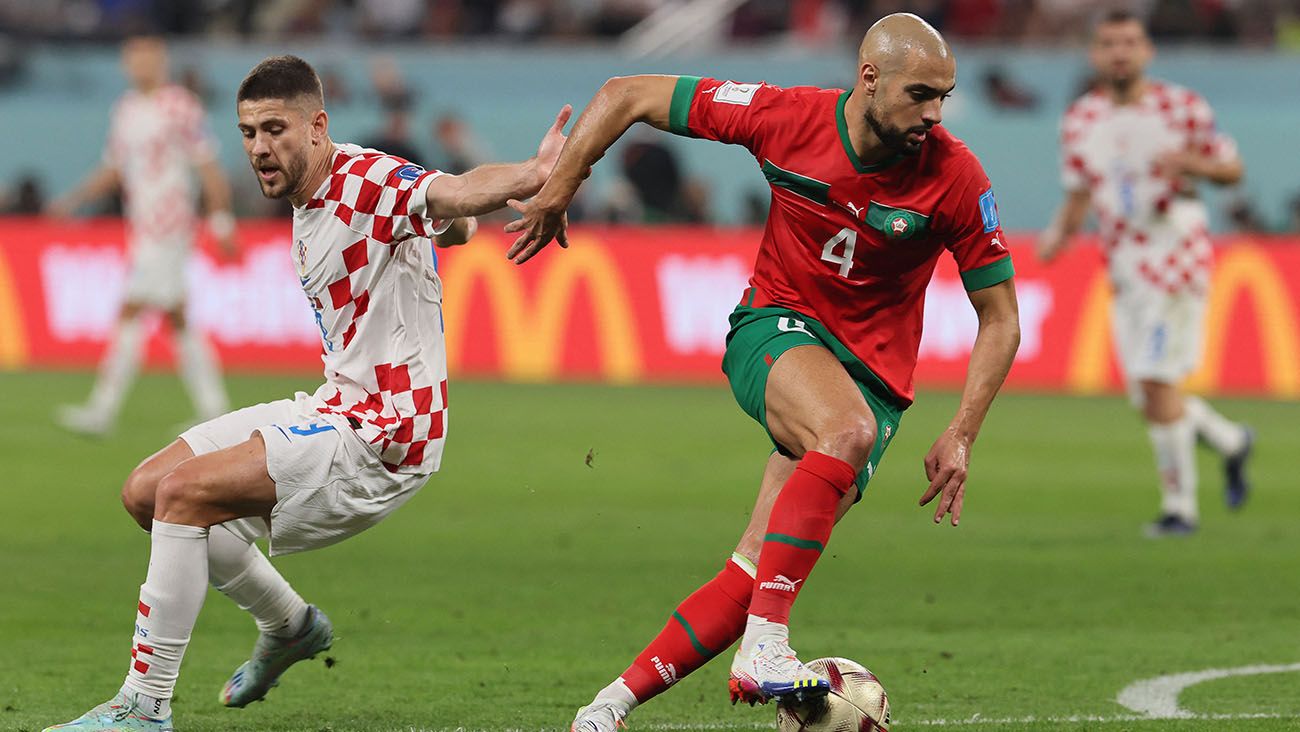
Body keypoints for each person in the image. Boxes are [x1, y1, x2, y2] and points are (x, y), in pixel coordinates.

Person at [507, 13, 1021, 731]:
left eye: (944, 96)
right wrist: (563, 185)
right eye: (920, 94)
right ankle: (767, 648)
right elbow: (627, 92)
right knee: (845, 432)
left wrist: (962, 431)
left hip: (874, 386)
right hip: (775, 332)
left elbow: (1000, 316)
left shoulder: (956, 178)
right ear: (868, 79)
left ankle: (608, 706)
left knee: (757, 571)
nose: (934, 114)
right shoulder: (786, 119)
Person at [42, 55, 571, 731]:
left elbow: (459, 190)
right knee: (147, 491)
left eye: (275, 129)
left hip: (387, 432)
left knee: (183, 497)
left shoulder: (360, 177)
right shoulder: (319, 193)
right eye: (247, 132)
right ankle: (290, 626)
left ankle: (143, 707)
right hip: (334, 404)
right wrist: (453, 221)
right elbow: (449, 216)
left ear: (317, 127)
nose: (259, 147)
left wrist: (531, 177)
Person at [1038, 10, 1254, 537]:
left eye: (1129, 42)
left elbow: (1232, 169)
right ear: (1095, 54)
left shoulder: (1181, 108)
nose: (1120, 52)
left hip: (1176, 259)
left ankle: (1180, 510)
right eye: (1109, 43)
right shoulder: (1082, 119)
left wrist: (1191, 165)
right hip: (1125, 266)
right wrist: (1059, 233)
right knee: (1147, 393)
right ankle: (1230, 441)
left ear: (1147, 51)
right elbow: (1081, 191)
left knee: (1158, 383)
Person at [47, 35, 236, 436]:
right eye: (134, 59)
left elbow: (207, 165)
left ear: (162, 61)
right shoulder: (126, 109)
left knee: (131, 308)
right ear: (124, 65)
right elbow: (115, 168)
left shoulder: (179, 105)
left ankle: (102, 409)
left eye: (148, 58)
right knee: (178, 317)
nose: (141, 65)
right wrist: (72, 199)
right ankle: (215, 408)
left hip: (170, 225)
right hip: (142, 224)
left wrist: (221, 219)